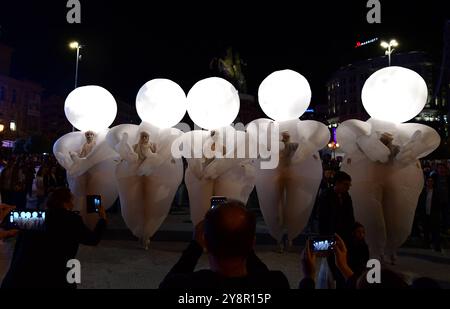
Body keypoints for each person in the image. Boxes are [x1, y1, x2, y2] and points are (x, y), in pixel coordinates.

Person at [159, 200, 290, 288]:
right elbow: (263, 276)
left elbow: (167, 285)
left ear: (205, 241)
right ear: (252, 243)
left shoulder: (182, 284)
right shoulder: (277, 282)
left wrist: (194, 247)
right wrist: (307, 278)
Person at [1, 187, 107, 288]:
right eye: (71, 200)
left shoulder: (36, 216)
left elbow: (8, 220)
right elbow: (93, 239)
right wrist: (102, 219)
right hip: (56, 275)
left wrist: (11, 211)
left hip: (24, 275)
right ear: (65, 202)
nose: (72, 204)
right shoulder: (72, 219)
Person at [318, 171, 355, 288]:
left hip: (344, 236)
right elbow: (322, 220)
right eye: (345, 184)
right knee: (330, 263)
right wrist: (323, 243)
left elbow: (350, 216)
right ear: (337, 183)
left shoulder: (346, 197)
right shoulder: (326, 196)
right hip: (329, 234)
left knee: (342, 263)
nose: (348, 187)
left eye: (349, 185)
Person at [417, 176, 442, 251]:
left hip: (434, 214)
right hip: (425, 214)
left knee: (435, 231)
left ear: (433, 182)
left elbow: (439, 203)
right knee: (426, 230)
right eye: (428, 181)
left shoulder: (436, 192)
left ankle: (436, 246)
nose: (429, 183)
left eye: (431, 181)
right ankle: (426, 244)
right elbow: (420, 202)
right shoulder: (423, 191)